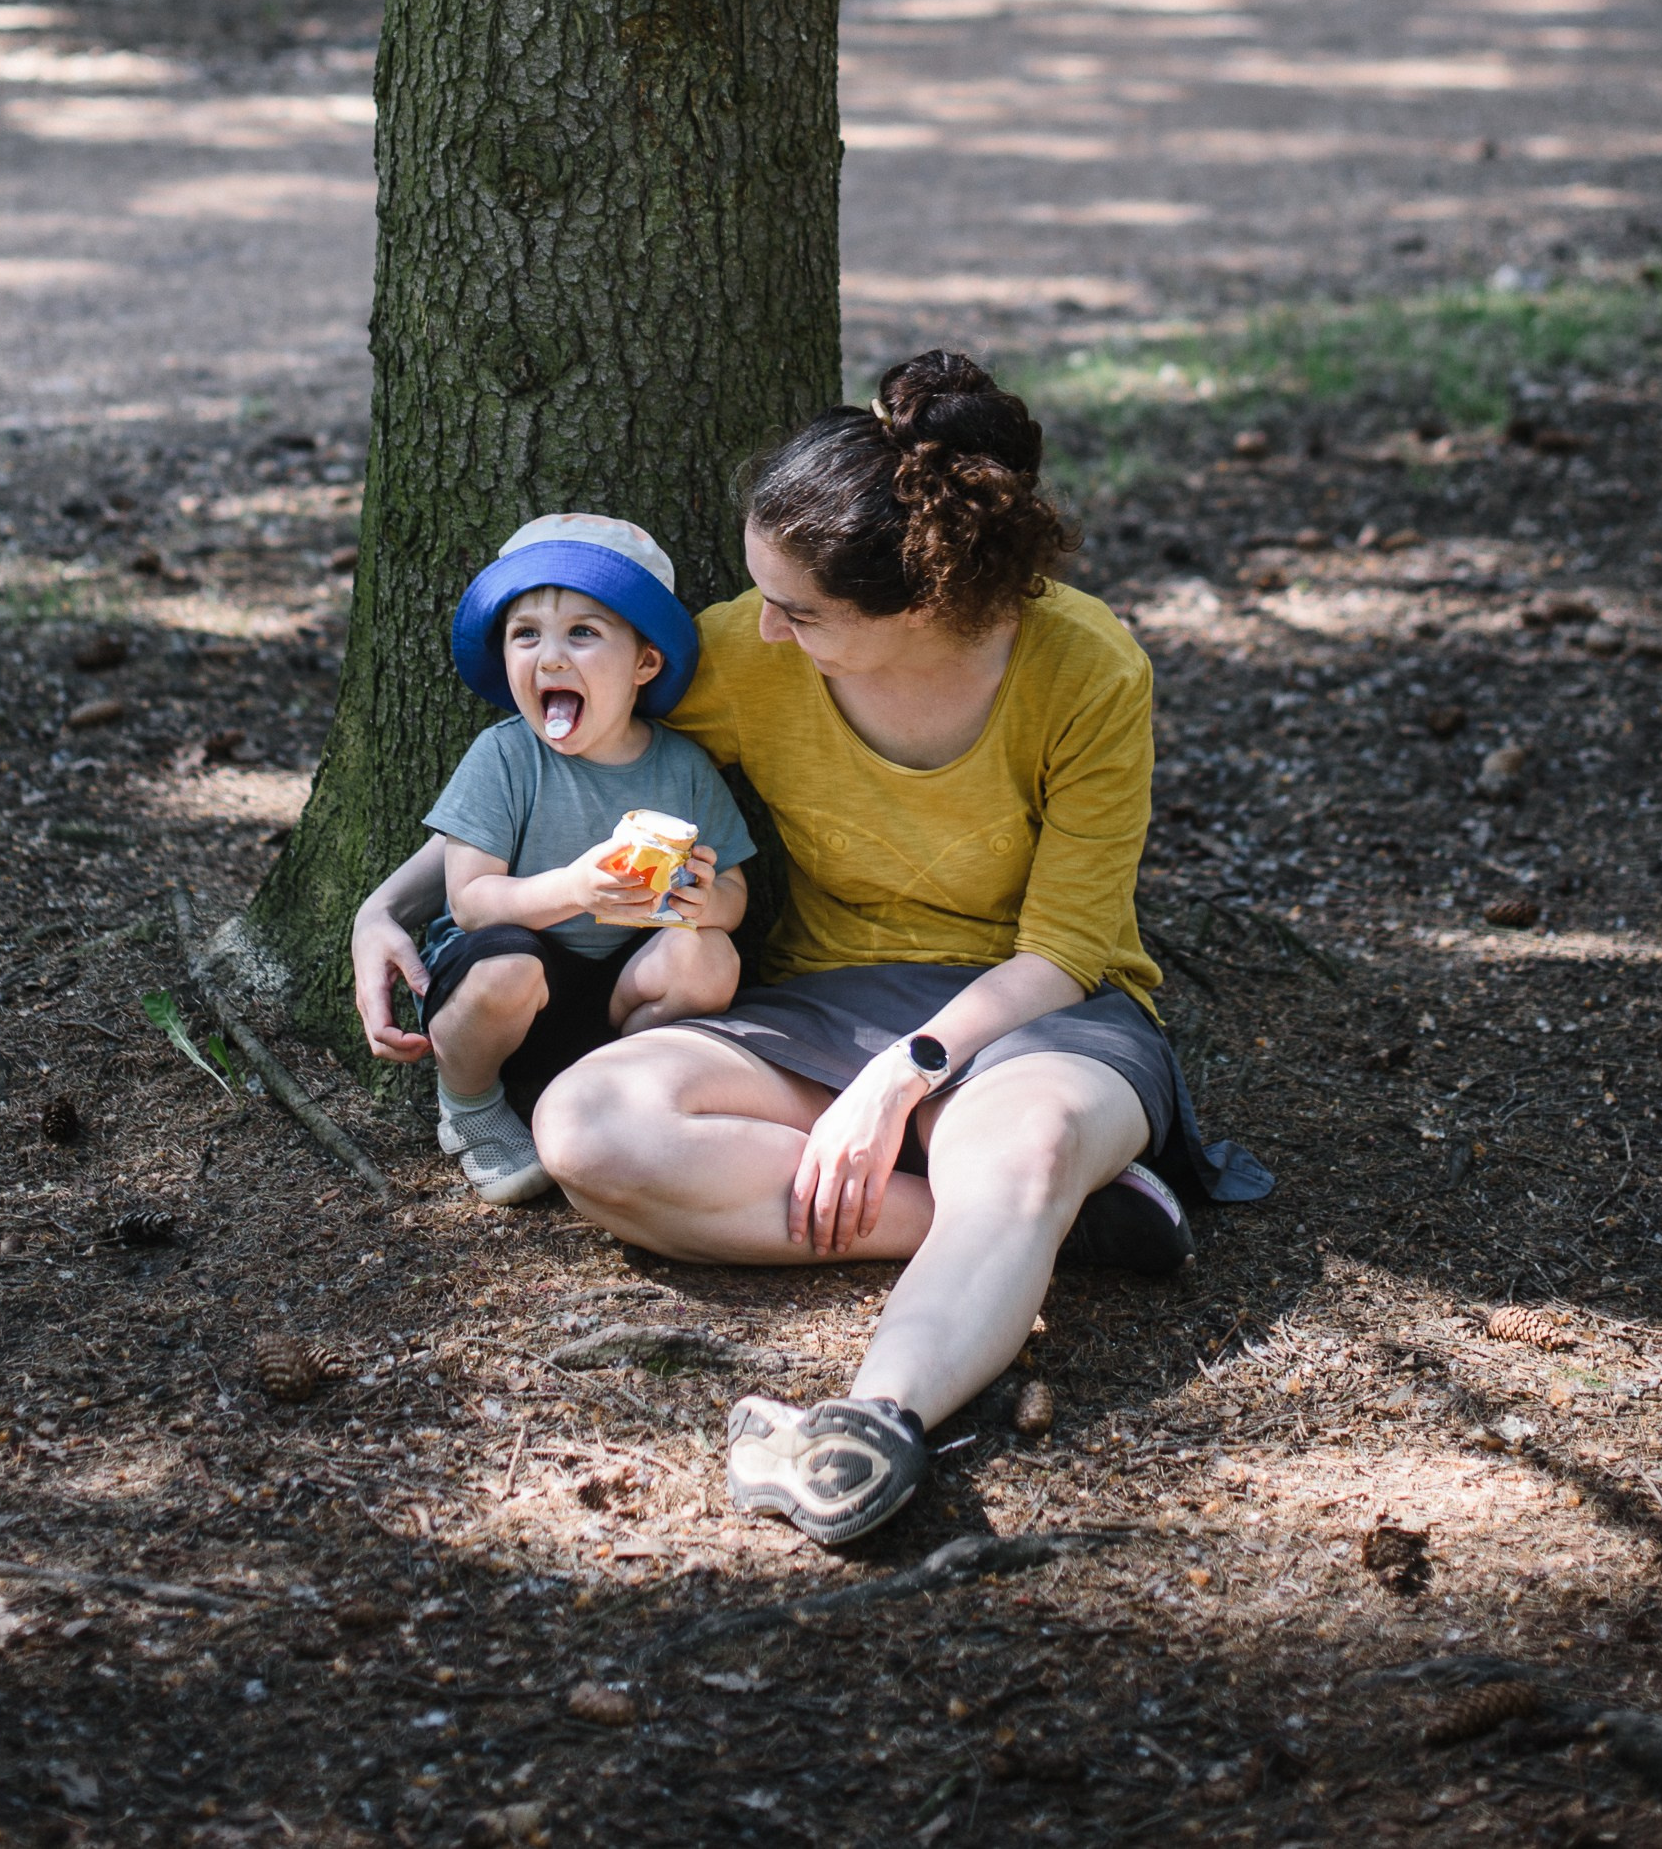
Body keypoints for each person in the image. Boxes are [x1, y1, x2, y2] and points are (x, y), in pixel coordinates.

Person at [352, 356, 1267, 1548]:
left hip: (1038, 1012)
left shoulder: (1085, 668)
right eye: (760, 595)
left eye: (800, 610)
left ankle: (875, 1418)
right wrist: (386, 902)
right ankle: (1046, 1223)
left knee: (1024, 1139)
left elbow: (1063, 948)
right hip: (822, 1000)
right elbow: (560, 751)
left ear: (921, 601)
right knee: (590, 1130)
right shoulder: (752, 650)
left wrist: (905, 1073)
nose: (762, 629)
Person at [416, 513, 755, 1206]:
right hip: (509, 981)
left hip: (622, 999)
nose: (549, 658)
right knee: (507, 968)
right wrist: (576, 888)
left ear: (645, 663)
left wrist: (705, 900)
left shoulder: (683, 766)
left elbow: (735, 890)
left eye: (582, 633)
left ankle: (606, 1091)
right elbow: (470, 902)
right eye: (525, 634)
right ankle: (472, 1104)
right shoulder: (505, 756)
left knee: (711, 954)